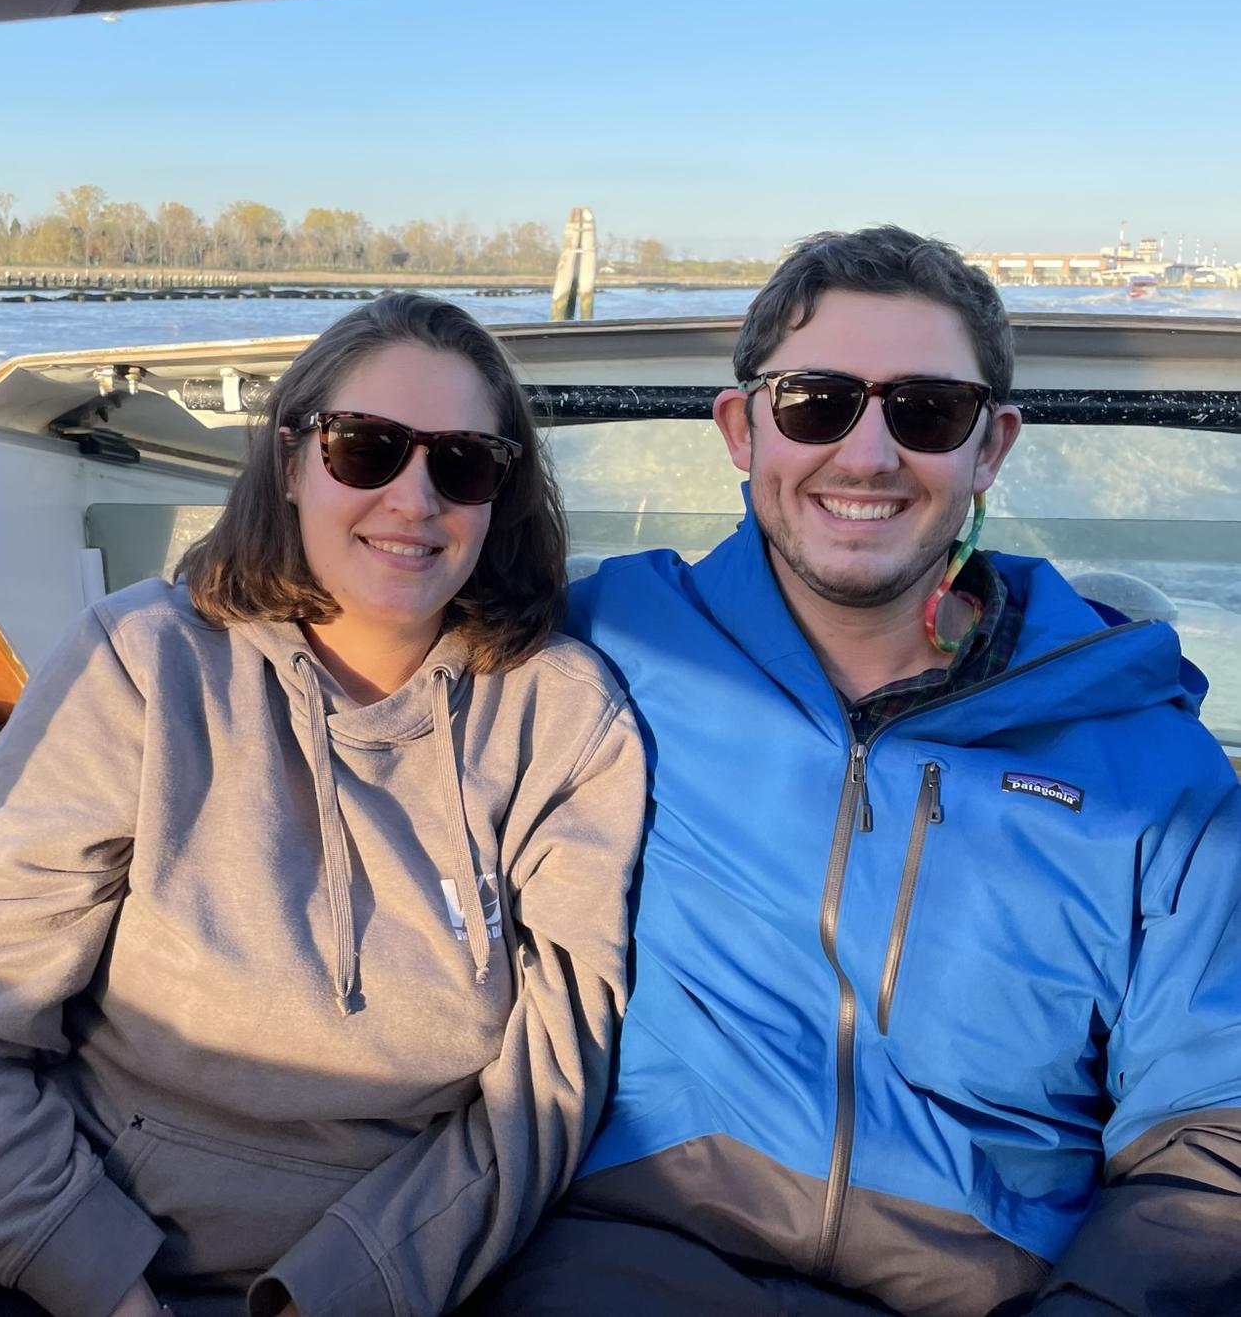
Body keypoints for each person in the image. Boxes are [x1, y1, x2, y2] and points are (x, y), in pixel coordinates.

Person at [480, 228, 1241, 1317]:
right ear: (743, 430)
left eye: (926, 411)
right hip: (628, 1257)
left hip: (996, 1288)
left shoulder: (1144, 761)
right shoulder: (604, 649)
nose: (870, 455)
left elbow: (1213, 1122)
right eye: (816, 402)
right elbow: (351, 642)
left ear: (991, 447)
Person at [0, 294, 645, 1317]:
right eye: (367, 448)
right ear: (292, 459)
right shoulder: (142, 664)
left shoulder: (566, 720)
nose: (414, 498)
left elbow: (544, 1092)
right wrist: (99, 1284)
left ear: (501, 495)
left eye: (462, 463)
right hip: (47, 1243)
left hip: (382, 1278)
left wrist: (335, 1294)